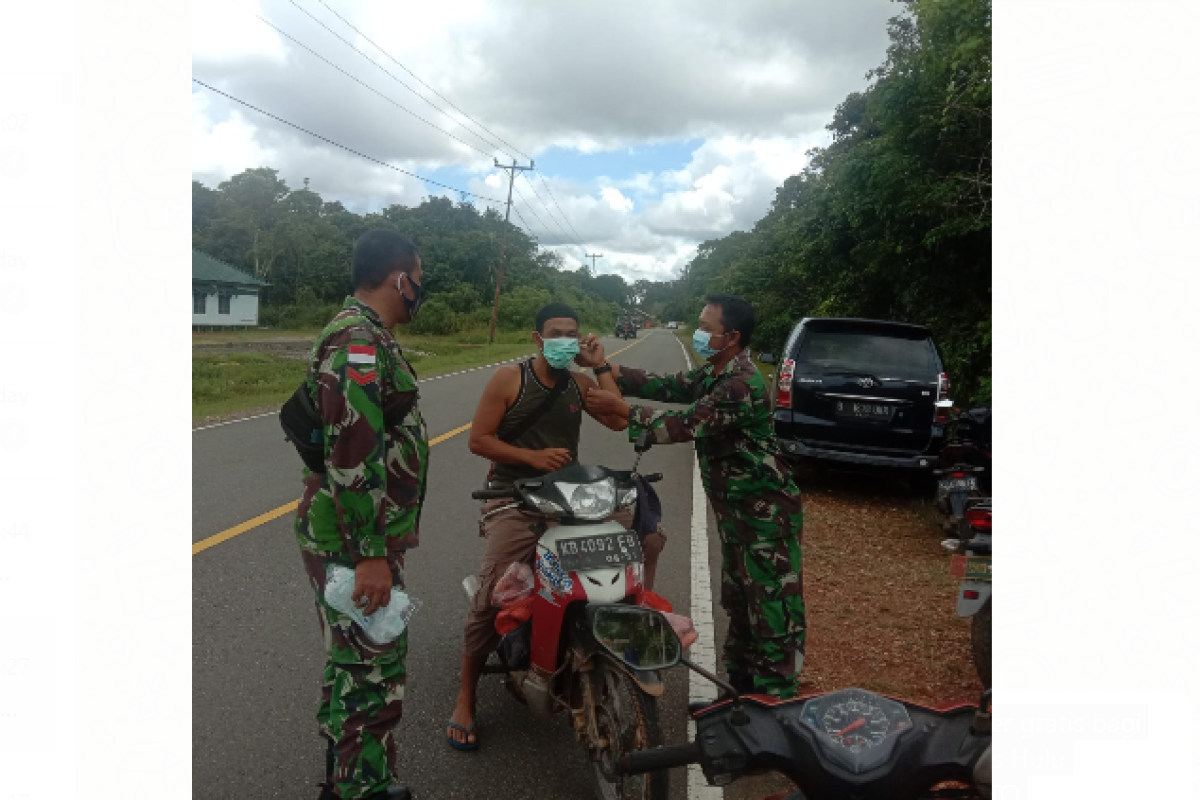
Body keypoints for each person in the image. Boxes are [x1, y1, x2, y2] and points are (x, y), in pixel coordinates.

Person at [446, 302, 667, 750]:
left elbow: (619, 417)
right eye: (556, 332)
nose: (566, 340)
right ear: (537, 338)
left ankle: (629, 624)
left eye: (573, 332)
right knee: (493, 592)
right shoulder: (511, 379)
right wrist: (531, 459)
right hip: (511, 495)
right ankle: (465, 697)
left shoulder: (579, 382)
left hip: (569, 495)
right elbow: (478, 440)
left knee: (647, 539)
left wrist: (601, 365)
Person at [580, 294, 806, 699]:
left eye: (706, 328)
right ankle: (739, 698)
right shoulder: (716, 373)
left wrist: (622, 409)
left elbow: (684, 424)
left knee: (772, 612)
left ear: (732, 337)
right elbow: (667, 385)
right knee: (739, 604)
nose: (700, 332)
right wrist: (601, 365)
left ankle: (774, 708)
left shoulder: (740, 384)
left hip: (766, 517)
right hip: (738, 513)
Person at [294, 229, 428, 800]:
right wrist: (371, 553)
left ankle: (342, 780)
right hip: (354, 542)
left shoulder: (364, 334)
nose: (419, 293)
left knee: (352, 663)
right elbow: (352, 453)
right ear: (400, 279)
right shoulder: (358, 340)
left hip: (352, 536)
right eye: (417, 282)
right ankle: (364, 789)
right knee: (373, 670)